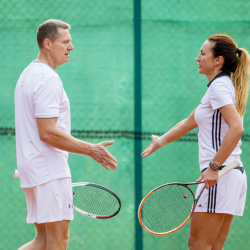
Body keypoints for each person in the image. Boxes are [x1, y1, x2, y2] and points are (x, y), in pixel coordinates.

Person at [14, 19, 118, 250]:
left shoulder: (28, 74)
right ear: (48, 44)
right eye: (66, 42)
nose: (71, 47)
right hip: (48, 170)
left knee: (42, 241)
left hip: (32, 169)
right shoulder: (47, 78)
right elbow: (48, 132)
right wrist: (91, 149)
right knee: (58, 242)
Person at [141, 34, 249, 249]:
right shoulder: (220, 86)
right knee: (213, 246)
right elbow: (189, 122)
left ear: (217, 60)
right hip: (230, 175)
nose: (197, 58)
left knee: (199, 245)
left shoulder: (220, 87)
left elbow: (237, 128)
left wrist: (213, 167)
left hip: (220, 175)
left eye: (202, 53)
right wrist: (159, 141)